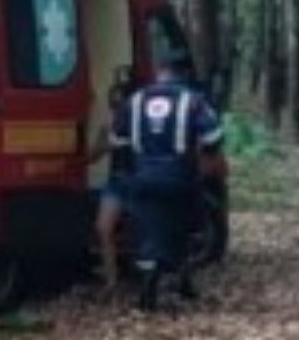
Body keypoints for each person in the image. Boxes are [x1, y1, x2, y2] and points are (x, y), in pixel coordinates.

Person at [111, 50, 222, 311]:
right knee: (182, 228)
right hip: (180, 178)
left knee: (148, 230)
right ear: (184, 73)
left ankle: (149, 284)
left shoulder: (135, 101)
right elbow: (213, 138)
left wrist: (131, 170)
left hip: (143, 177)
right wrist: (204, 165)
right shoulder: (194, 101)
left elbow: (117, 140)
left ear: (160, 70)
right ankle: (181, 279)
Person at [89, 74, 139, 291]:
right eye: (113, 102)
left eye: (120, 101)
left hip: (138, 180)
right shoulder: (109, 125)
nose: (116, 106)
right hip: (116, 181)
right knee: (103, 228)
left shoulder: (141, 123)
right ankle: (111, 280)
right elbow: (94, 156)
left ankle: (141, 275)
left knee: (137, 229)